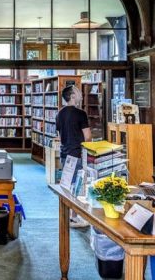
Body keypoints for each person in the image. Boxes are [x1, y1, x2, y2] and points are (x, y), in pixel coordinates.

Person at [56, 85, 92, 228]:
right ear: (72, 96)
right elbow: (88, 137)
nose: (81, 93)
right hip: (77, 153)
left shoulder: (60, 113)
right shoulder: (80, 114)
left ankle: (69, 216)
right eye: (78, 92)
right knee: (78, 186)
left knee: (67, 185)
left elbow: (59, 135)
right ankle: (75, 217)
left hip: (65, 153)